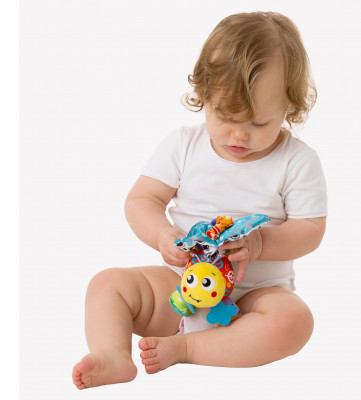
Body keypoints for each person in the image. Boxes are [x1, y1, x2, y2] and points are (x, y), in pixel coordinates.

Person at [72, 11, 328, 389]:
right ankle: (113, 354)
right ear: (204, 95)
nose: (239, 134)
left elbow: (310, 229)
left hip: (251, 302)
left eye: (259, 123)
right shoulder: (184, 145)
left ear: (288, 107)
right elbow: (142, 199)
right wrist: (161, 235)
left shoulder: (297, 160)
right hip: (179, 289)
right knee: (107, 284)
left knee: (294, 321)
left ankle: (187, 348)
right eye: (226, 116)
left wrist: (260, 243)